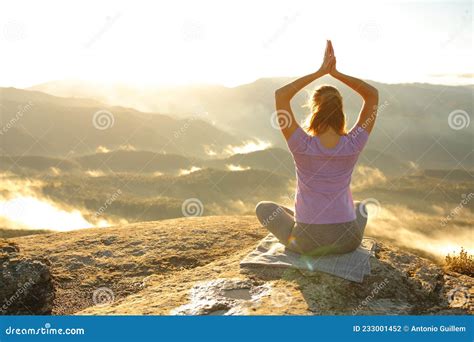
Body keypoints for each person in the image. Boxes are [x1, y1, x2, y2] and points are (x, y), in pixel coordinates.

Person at [255, 40, 379, 256]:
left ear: (314, 110)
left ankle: (303, 222)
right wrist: (336, 73)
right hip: (347, 241)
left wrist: (320, 72)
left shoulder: (300, 144)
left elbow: (281, 96)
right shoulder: (353, 143)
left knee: (264, 208)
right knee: (361, 207)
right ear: (340, 110)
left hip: (306, 243)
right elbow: (372, 96)